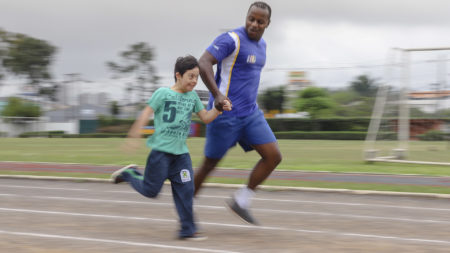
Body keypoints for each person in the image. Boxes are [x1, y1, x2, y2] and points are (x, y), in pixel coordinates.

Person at [111, 55, 231, 241]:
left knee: (186, 190)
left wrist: (220, 108)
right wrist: (134, 134)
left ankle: (188, 229)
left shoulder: (193, 97)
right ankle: (130, 174)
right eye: (190, 76)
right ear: (178, 75)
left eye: (196, 77)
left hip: (181, 156)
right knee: (151, 191)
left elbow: (206, 118)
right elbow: (146, 113)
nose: (194, 81)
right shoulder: (162, 93)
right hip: (161, 154)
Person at [193, 1, 282, 225]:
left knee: (273, 156)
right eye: (251, 18)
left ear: (267, 24)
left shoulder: (263, 46)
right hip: (225, 115)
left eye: (260, 21)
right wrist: (218, 95)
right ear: (247, 17)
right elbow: (203, 62)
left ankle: (241, 201)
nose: (254, 24)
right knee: (209, 164)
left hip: (250, 114)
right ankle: (187, 204)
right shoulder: (231, 39)